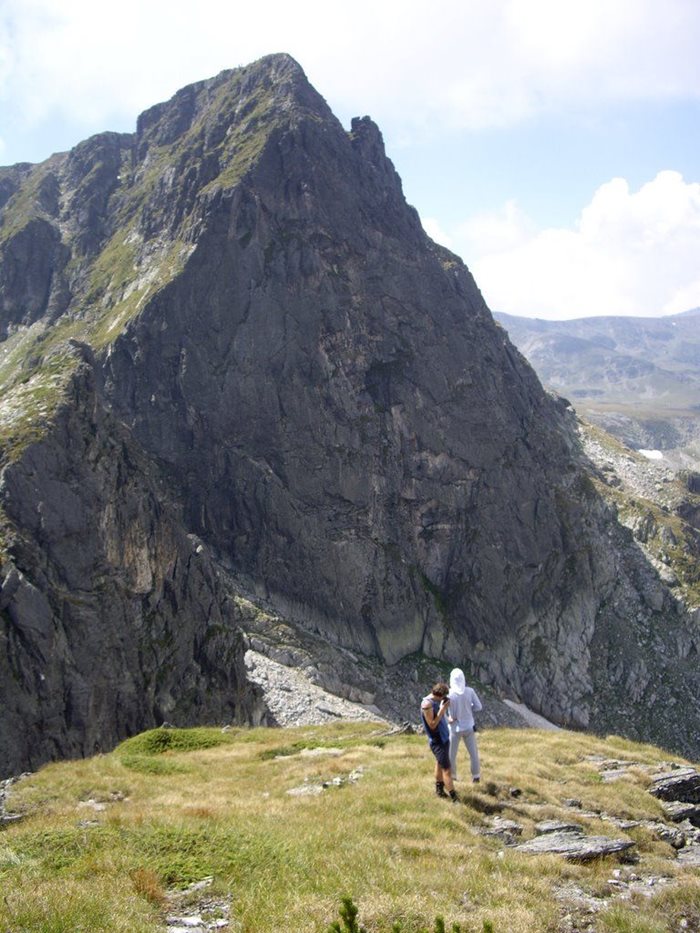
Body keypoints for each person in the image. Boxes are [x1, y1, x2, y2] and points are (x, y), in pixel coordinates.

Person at [420, 682, 458, 802]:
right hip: (438, 740)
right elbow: (432, 725)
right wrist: (442, 709)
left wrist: (446, 716)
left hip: (444, 738)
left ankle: (439, 790)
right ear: (439, 695)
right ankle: (454, 798)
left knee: (439, 763)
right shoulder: (427, 704)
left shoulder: (435, 701)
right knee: (447, 769)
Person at [447, 668, 482, 782]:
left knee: (452, 754)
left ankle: (453, 777)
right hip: (468, 727)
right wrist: (469, 708)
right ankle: (476, 776)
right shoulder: (470, 691)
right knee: (473, 754)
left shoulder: (449, 693)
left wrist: (449, 719)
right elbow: (479, 707)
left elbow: (441, 710)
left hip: (454, 728)